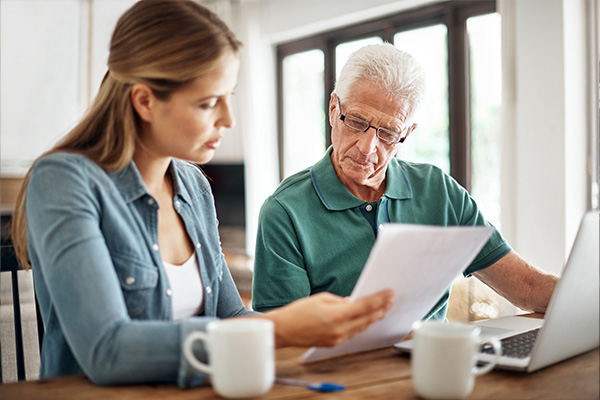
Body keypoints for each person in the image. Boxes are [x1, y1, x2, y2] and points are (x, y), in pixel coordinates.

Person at [11, 0, 394, 387]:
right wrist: (279, 330)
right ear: (144, 101)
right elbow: (107, 350)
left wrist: (316, 326)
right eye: (209, 102)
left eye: (229, 96)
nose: (228, 119)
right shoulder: (63, 181)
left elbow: (231, 318)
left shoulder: (193, 187)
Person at [252, 43, 558, 319]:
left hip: (433, 367)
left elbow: (527, 288)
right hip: (343, 376)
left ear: (406, 134)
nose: (367, 147)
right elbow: (283, 338)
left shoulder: (438, 191)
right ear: (334, 109)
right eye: (357, 122)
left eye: (387, 134)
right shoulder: (284, 211)